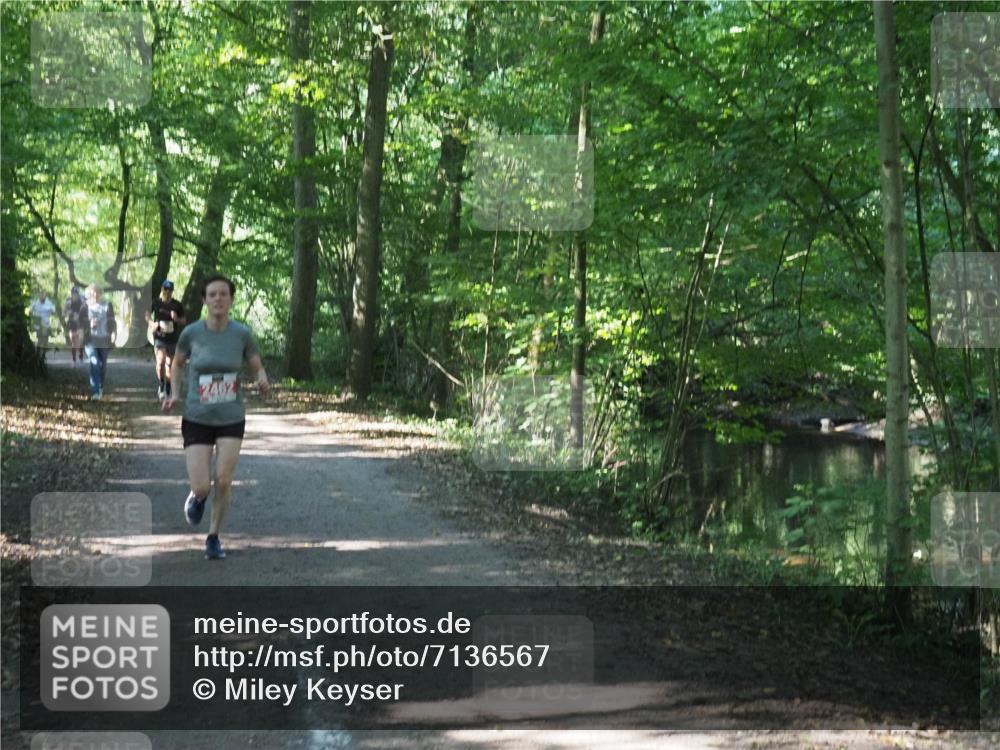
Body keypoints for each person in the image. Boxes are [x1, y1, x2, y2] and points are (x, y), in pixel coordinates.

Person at [162, 274, 269, 560]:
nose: (218, 299)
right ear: (205, 300)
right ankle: (197, 497)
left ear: (231, 300)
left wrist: (261, 379)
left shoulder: (242, 334)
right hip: (197, 415)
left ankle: (213, 537)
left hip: (231, 415)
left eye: (224, 294)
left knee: (223, 479)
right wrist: (174, 393)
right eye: (213, 294)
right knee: (202, 485)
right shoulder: (192, 333)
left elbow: (257, 366)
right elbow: (177, 364)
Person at [146, 280, 187, 399]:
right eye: (165, 289)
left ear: (172, 291)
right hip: (159, 337)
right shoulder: (156, 302)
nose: (167, 292)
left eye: (170, 290)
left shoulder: (177, 305)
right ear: (162, 289)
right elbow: (147, 314)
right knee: (160, 361)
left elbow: (184, 320)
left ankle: (168, 386)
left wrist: (176, 319)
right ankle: (161, 384)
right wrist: (151, 323)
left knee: (170, 365)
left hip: (172, 339)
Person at [85, 285, 116, 400]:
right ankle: (95, 392)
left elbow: (112, 321)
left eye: (97, 292)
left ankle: (100, 386)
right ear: (90, 294)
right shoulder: (86, 306)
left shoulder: (107, 305)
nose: (95, 295)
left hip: (104, 339)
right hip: (90, 340)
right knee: (94, 362)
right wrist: (89, 324)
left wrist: (113, 333)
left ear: (101, 293)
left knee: (102, 366)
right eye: (93, 293)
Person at [65, 286, 88, 365]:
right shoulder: (68, 302)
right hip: (72, 324)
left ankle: (81, 356)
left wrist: (80, 315)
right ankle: (74, 359)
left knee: (80, 340)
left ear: (78, 295)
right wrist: (68, 313)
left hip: (80, 323)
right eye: (73, 294)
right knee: (73, 341)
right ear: (71, 294)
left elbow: (87, 311)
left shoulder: (83, 301)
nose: (74, 296)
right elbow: (64, 312)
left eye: (76, 294)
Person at [29, 292, 57, 357]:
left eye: (44, 296)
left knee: (45, 339)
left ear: (45, 297)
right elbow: (30, 311)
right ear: (39, 296)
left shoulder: (49, 303)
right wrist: (33, 318)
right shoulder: (35, 303)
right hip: (38, 323)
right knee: (40, 338)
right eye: (41, 296)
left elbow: (53, 311)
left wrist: (52, 312)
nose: (42, 297)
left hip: (46, 323)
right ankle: (38, 352)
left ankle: (44, 353)